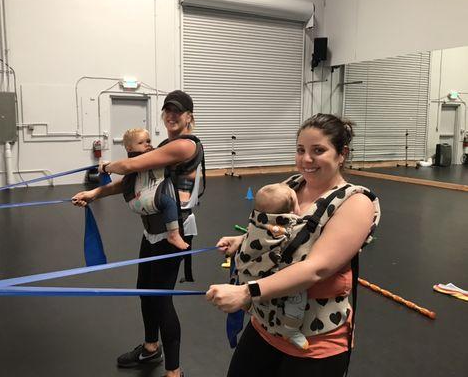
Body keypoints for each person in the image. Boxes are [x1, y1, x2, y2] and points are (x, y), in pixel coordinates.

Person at [206, 113, 381, 377]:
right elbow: (275, 234)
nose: (306, 159)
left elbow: (316, 268)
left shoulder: (355, 202)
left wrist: (246, 292)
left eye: (318, 150)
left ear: (341, 153)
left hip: (315, 342)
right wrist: (242, 240)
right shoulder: (291, 186)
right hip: (265, 325)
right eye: (301, 150)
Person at [72, 90, 204, 377]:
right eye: (167, 110)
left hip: (175, 232)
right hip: (152, 234)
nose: (170, 115)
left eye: (177, 111)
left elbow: (130, 165)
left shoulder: (184, 147)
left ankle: (174, 371)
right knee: (145, 291)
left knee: (161, 297)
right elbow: (132, 178)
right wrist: (94, 192)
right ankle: (150, 347)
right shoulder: (162, 146)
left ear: (188, 117)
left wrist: (105, 166)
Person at [235, 183, 309, 351]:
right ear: (290, 210)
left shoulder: (255, 220)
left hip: (246, 271)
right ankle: (291, 329)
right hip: (267, 275)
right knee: (298, 294)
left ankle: (249, 305)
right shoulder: (289, 226)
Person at [121, 127, 189, 250]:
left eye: (148, 141)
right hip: (141, 199)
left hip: (138, 199)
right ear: (129, 148)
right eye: (141, 143)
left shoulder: (138, 157)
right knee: (169, 203)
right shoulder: (138, 158)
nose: (147, 145)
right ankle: (173, 234)